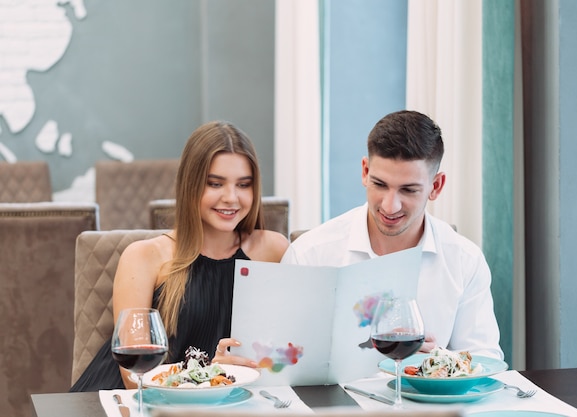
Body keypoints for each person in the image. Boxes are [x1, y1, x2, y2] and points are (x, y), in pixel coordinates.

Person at [71, 121, 290, 391]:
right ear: (190, 185)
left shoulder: (273, 251)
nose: (231, 198)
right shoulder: (144, 257)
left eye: (243, 185)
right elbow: (133, 377)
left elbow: (289, 348)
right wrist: (212, 373)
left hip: (226, 405)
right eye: (215, 184)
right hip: (130, 404)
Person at [281, 110, 504, 360]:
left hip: (428, 399)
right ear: (365, 172)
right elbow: (283, 356)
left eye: (408, 190)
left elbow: (485, 360)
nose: (390, 206)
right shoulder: (310, 255)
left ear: (436, 186)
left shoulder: (465, 260)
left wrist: (435, 358)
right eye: (380, 184)